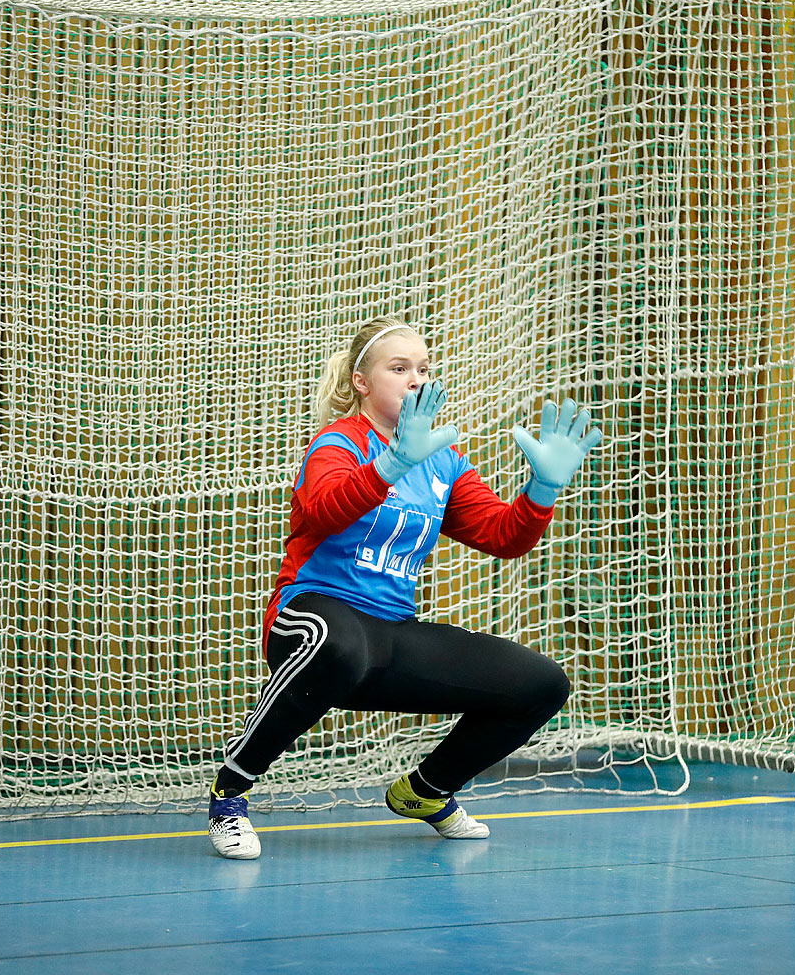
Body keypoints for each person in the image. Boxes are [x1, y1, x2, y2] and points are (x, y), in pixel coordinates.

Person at [207, 316, 603, 860]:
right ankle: (231, 791)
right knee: (336, 642)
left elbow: (502, 535)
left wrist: (543, 489)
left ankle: (426, 790)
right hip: (311, 621)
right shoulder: (337, 443)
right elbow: (322, 510)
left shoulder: (442, 460)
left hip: (389, 634)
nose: (415, 379)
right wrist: (390, 465)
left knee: (541, 683)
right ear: (362, 383)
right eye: (399, 368)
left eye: (423, 369)